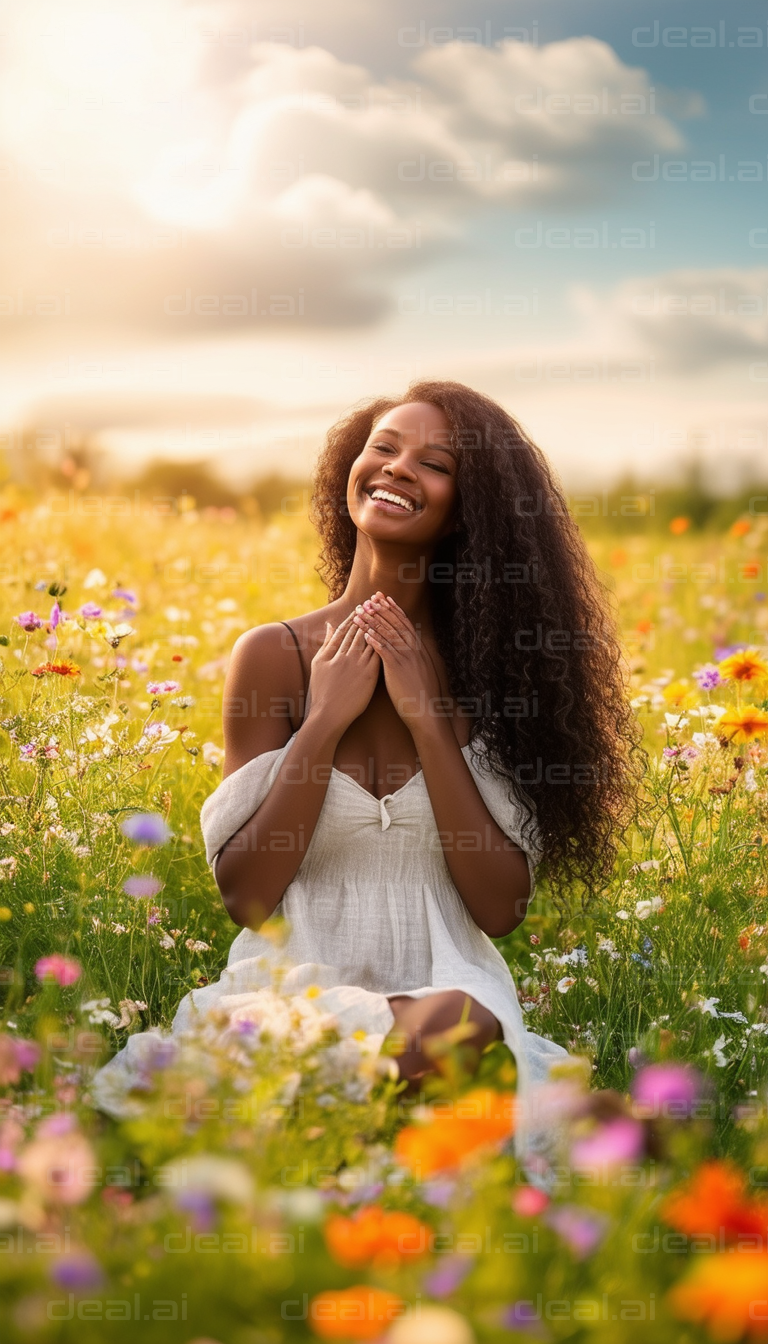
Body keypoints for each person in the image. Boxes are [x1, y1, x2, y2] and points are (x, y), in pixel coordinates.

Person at [95, 381, 642, 1163]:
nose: (396, 468)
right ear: (350, 470)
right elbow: (248, 897)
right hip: (287, 996)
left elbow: (498, 909)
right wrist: (323, 721)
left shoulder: (495, 675)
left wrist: (427, 718)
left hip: (448, 1000)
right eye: (383, 447)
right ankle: (381, 1138)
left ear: (472, 509)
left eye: (435, 462)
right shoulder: (273, 656)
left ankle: (330, 1134)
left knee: (462, 1023)